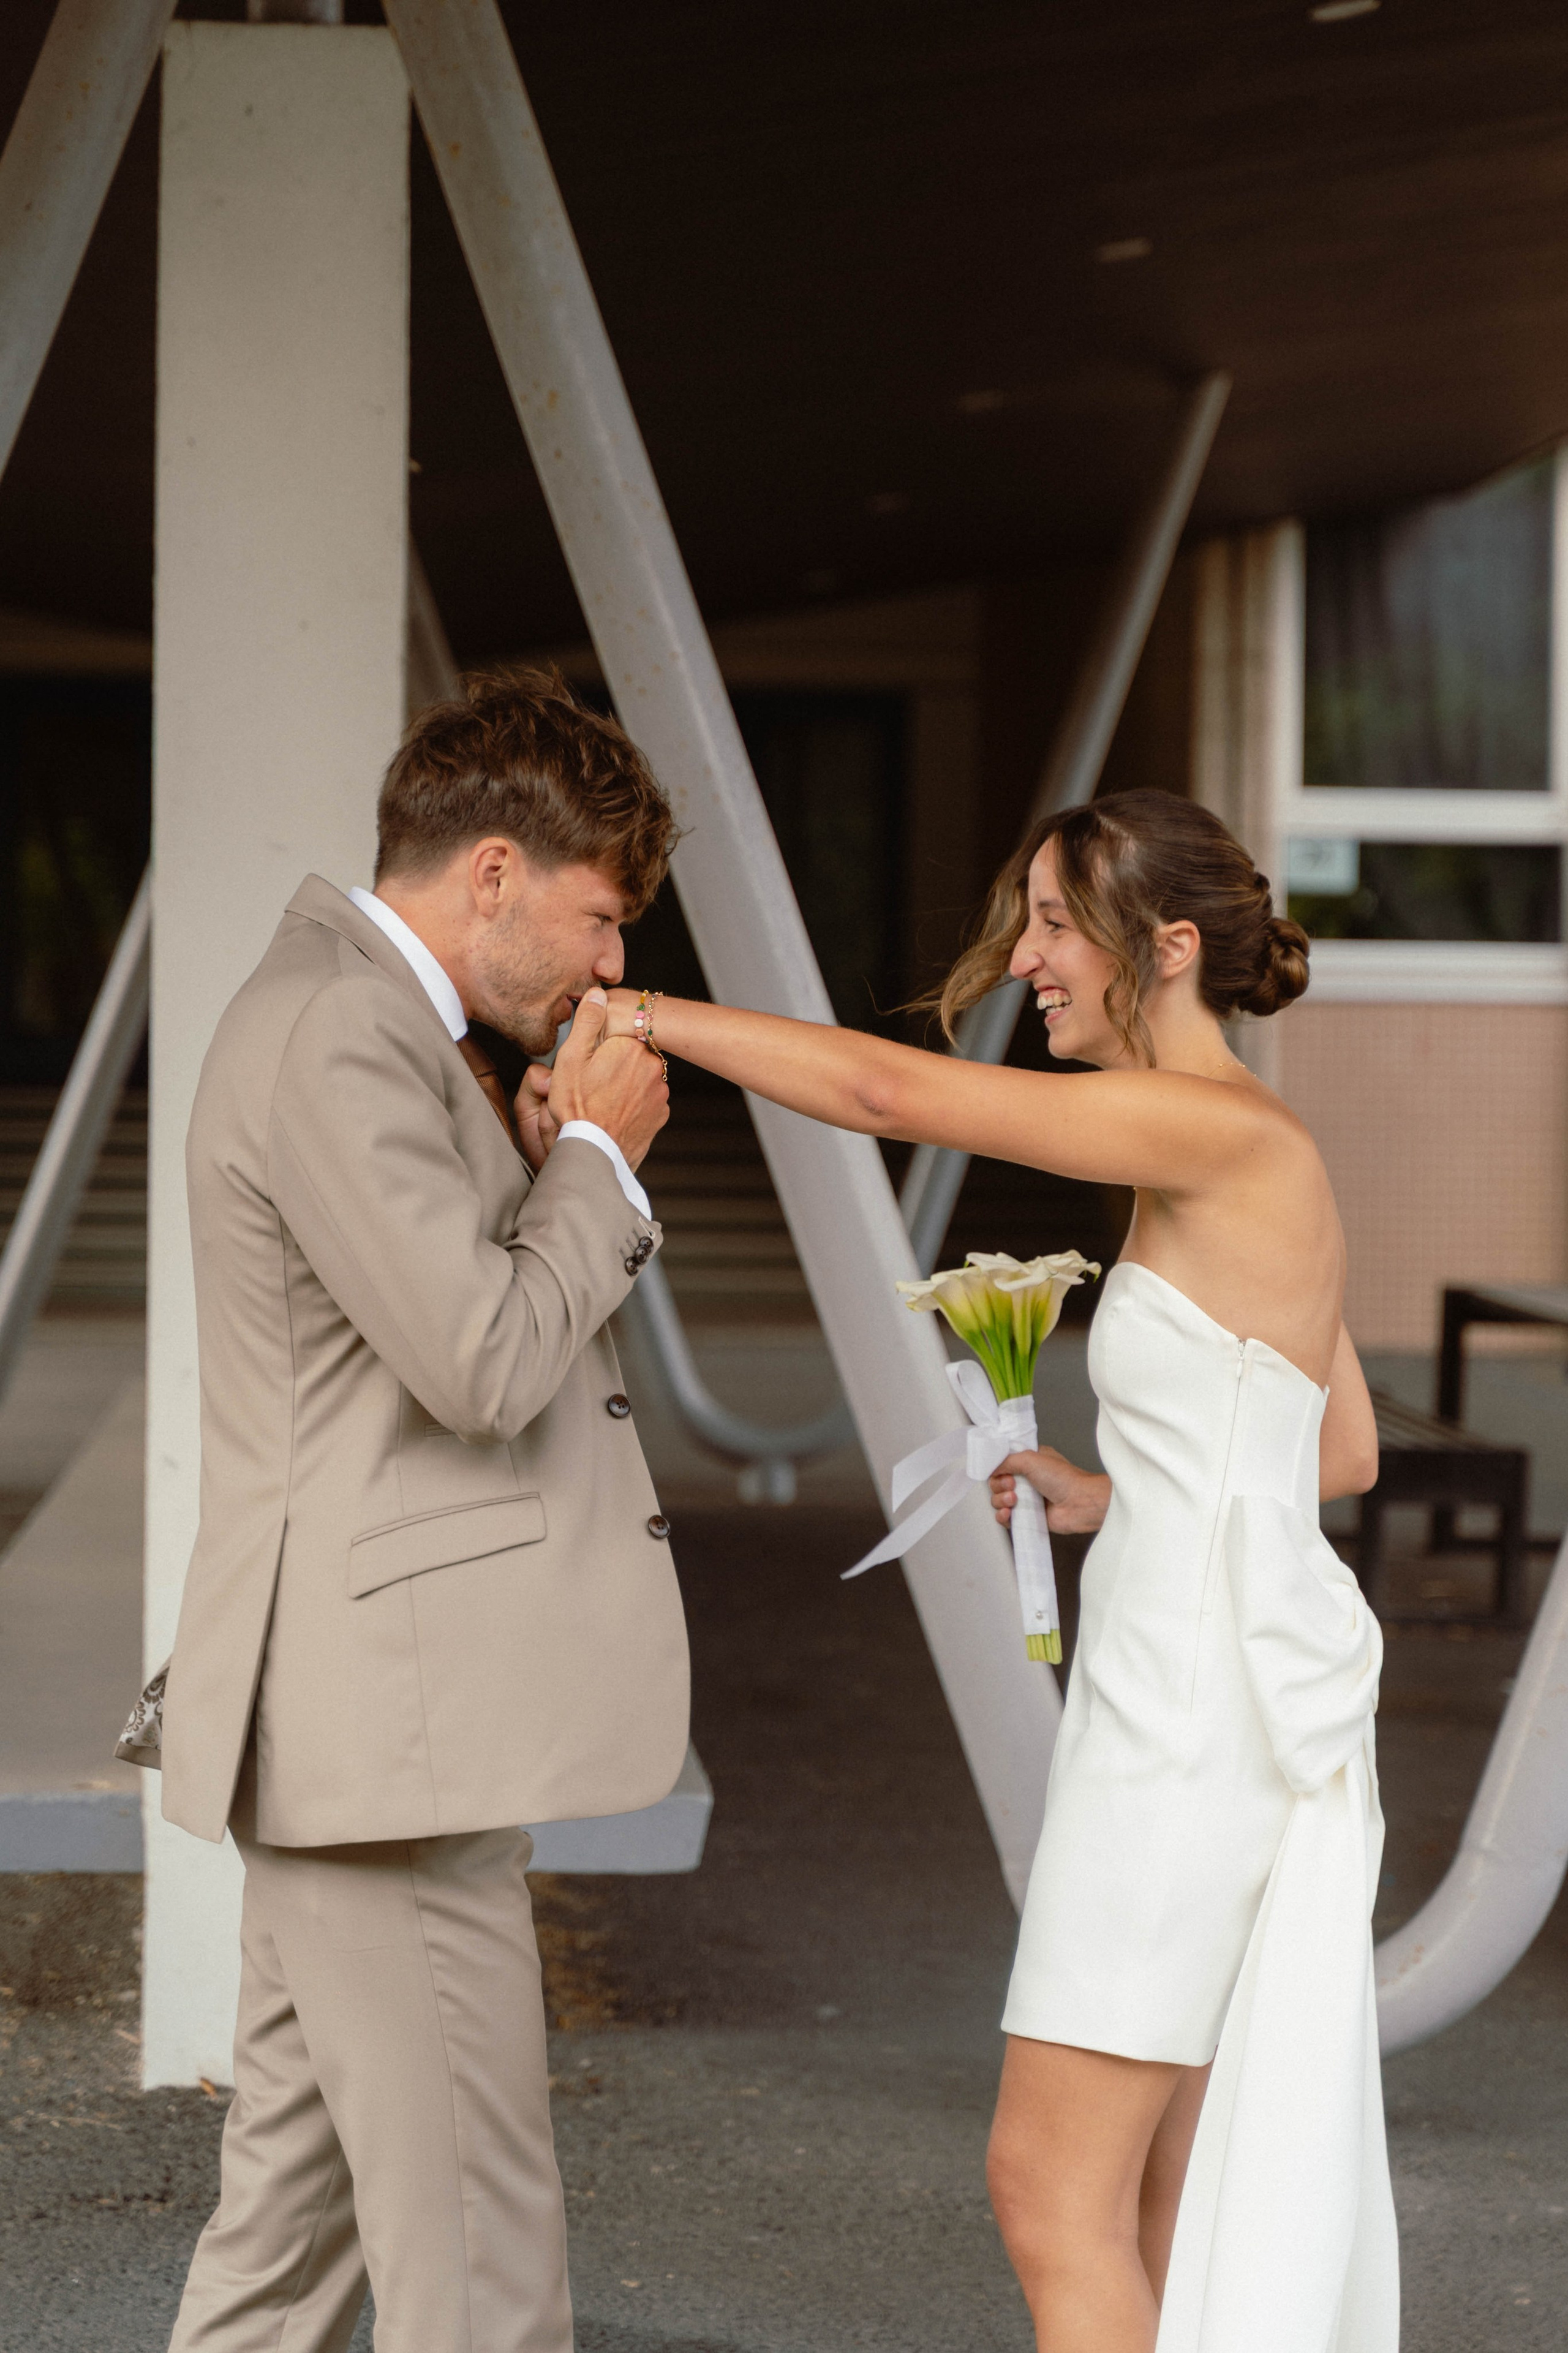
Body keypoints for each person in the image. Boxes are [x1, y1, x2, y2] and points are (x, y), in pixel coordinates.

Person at [578, 788, 1393, 2353]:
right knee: (1159, 2195)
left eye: (1050, 922)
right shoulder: (1246, 1152)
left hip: (1179, 1727)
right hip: (1210, 1701)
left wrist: (641, 1010)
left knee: (1045, 2187)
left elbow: (890, 1094)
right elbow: (1335, 1446)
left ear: (1162, 948)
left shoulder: (1211, 1129)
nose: (1025, 957)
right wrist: (1120, 1491)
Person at [153, 670, 688, 2353]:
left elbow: (430, 1324)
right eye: (603, 919)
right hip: (392, 1734)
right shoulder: (340, 1028)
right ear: (496, 873)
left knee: (286, 2253)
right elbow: (479, 1359)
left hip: (376, 1727)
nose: (613, 966)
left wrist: (543, 1171)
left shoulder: (364, 1023)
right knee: (479, 2263)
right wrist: (598, 1167)